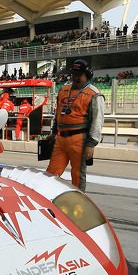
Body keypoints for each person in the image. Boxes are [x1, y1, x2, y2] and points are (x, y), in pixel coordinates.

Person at [46, 59, 104, 191]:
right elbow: (58, 114)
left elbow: (98, 120)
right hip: (61, 139)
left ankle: (79, 205)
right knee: (51, 173)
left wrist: (91, 144)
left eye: (79, 75)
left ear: (87, 75)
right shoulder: (63, 90)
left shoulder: (94, 94)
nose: (76, 77)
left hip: (80, 140)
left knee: (77, 175)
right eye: (74, 74)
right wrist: (54, 132)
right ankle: (49, 199)